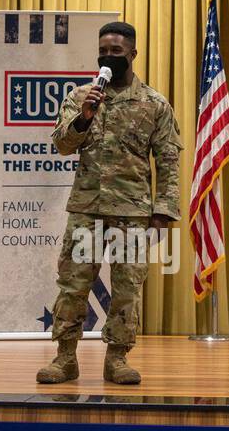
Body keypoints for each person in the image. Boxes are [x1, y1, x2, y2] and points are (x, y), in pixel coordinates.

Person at [36, 21, 181, 385]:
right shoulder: (81, 96)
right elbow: (62, 145)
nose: (108, 56)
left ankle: (116, 359)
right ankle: (64, 358)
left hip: (133, 214)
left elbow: (167, 161)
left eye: (116, 51)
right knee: (73, 286)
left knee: (126, 291)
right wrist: (84, 117)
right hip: (86, 210)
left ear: (132, 54)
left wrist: (163, 214)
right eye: (103, 50)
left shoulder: (154, 103)